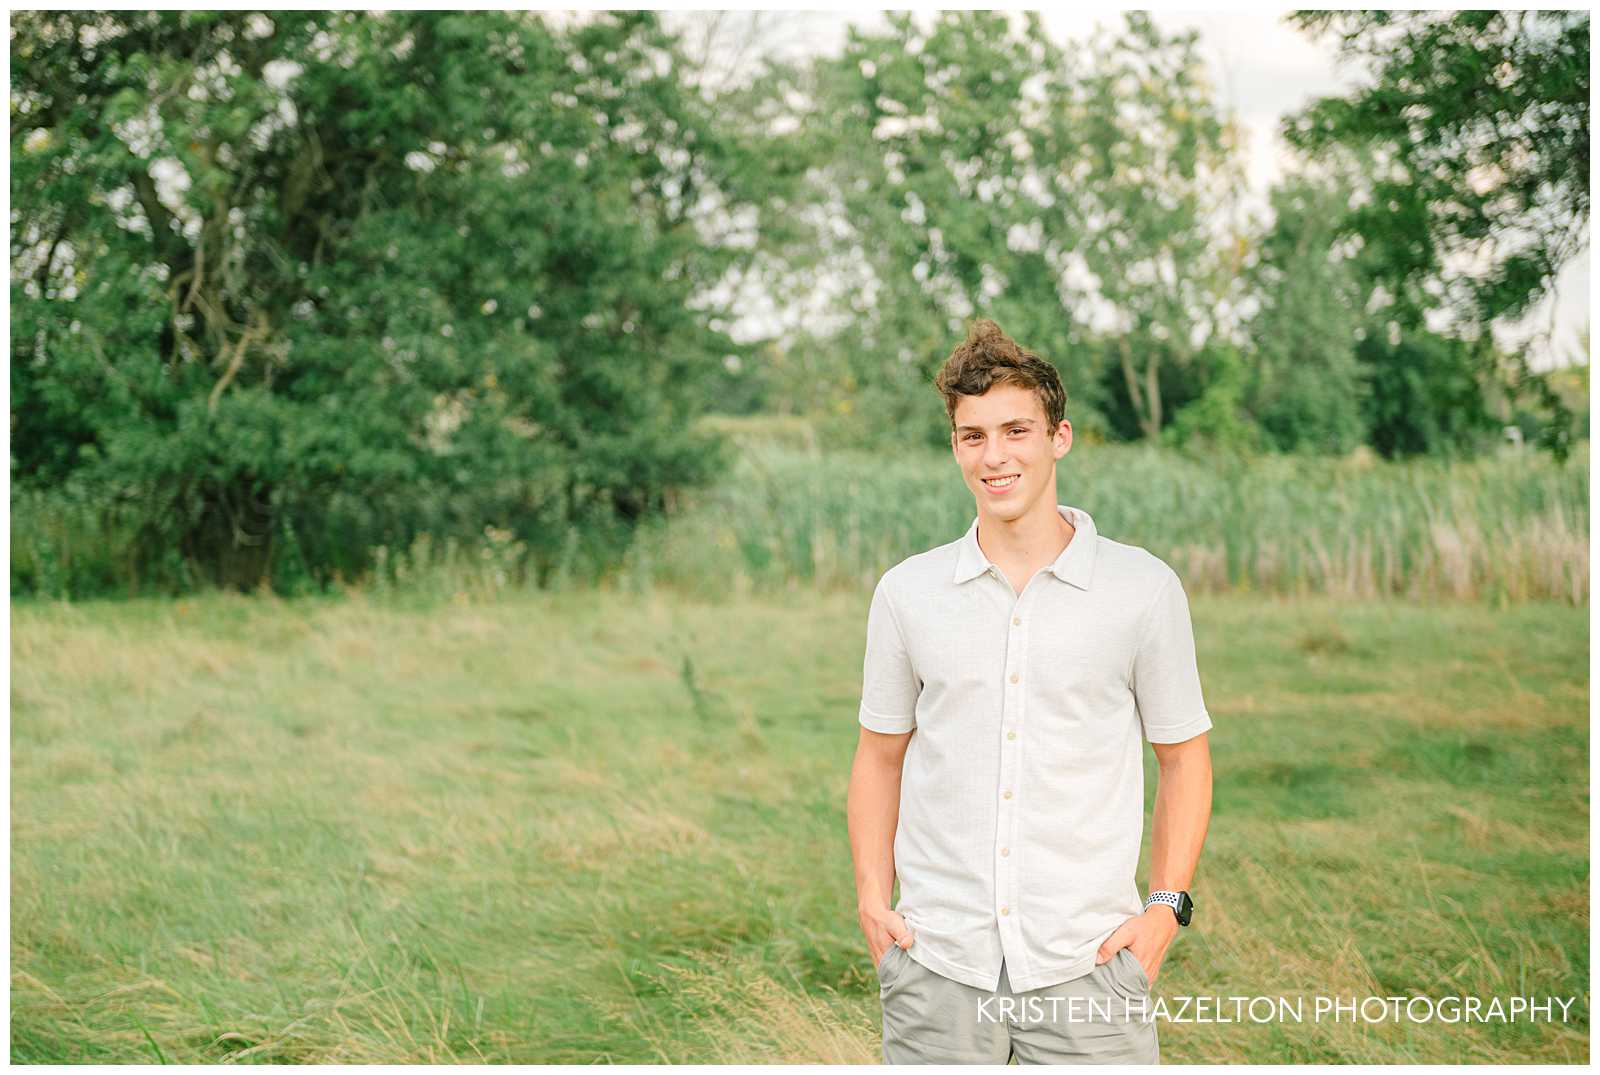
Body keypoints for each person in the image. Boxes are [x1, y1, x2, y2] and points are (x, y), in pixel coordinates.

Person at [846, 319, 1214, 1064]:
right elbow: (878, 756)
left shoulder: (1142, 588)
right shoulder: (907, 592)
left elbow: (1185, 758)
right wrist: (871, 899)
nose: (995, 455)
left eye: (1016, 429)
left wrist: (1164, 909)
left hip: (1091, 965)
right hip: (936, 967)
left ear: (1060, 437)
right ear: (955, 447)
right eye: (972, 435)